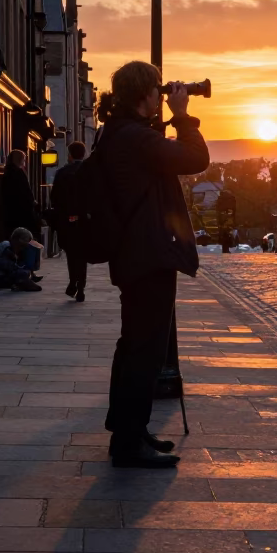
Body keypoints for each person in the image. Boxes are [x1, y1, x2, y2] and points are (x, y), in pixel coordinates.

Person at [95, 61, 209, 468]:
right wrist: (182, 116)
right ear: (144, 95)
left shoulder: (121, 132)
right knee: (145, 350)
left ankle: (129, 430)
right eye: (157, 90)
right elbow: (196, 158)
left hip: (136, 253)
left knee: (134, 346)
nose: (162, 95)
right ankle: (128, 442)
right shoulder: (133, 138)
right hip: (146, 255)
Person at [50, 141, 87, 302]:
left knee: (72, 253)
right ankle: (81, 287)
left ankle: (73, 281)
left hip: (67, 218)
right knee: (83, 253)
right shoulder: (90, 172)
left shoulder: (62, 173)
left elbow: (55, 197)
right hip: (85, 219)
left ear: (70, 154)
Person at [2, 149, 42, 280]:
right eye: (23, 159)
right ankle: (29, 271)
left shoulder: (7, 173)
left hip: (11, 215)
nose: (24, 162)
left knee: (15, 244)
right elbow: (27, 194)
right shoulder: (19, 173)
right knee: (29, 242)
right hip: (24, 214)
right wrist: (35, 205)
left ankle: (21, 270)